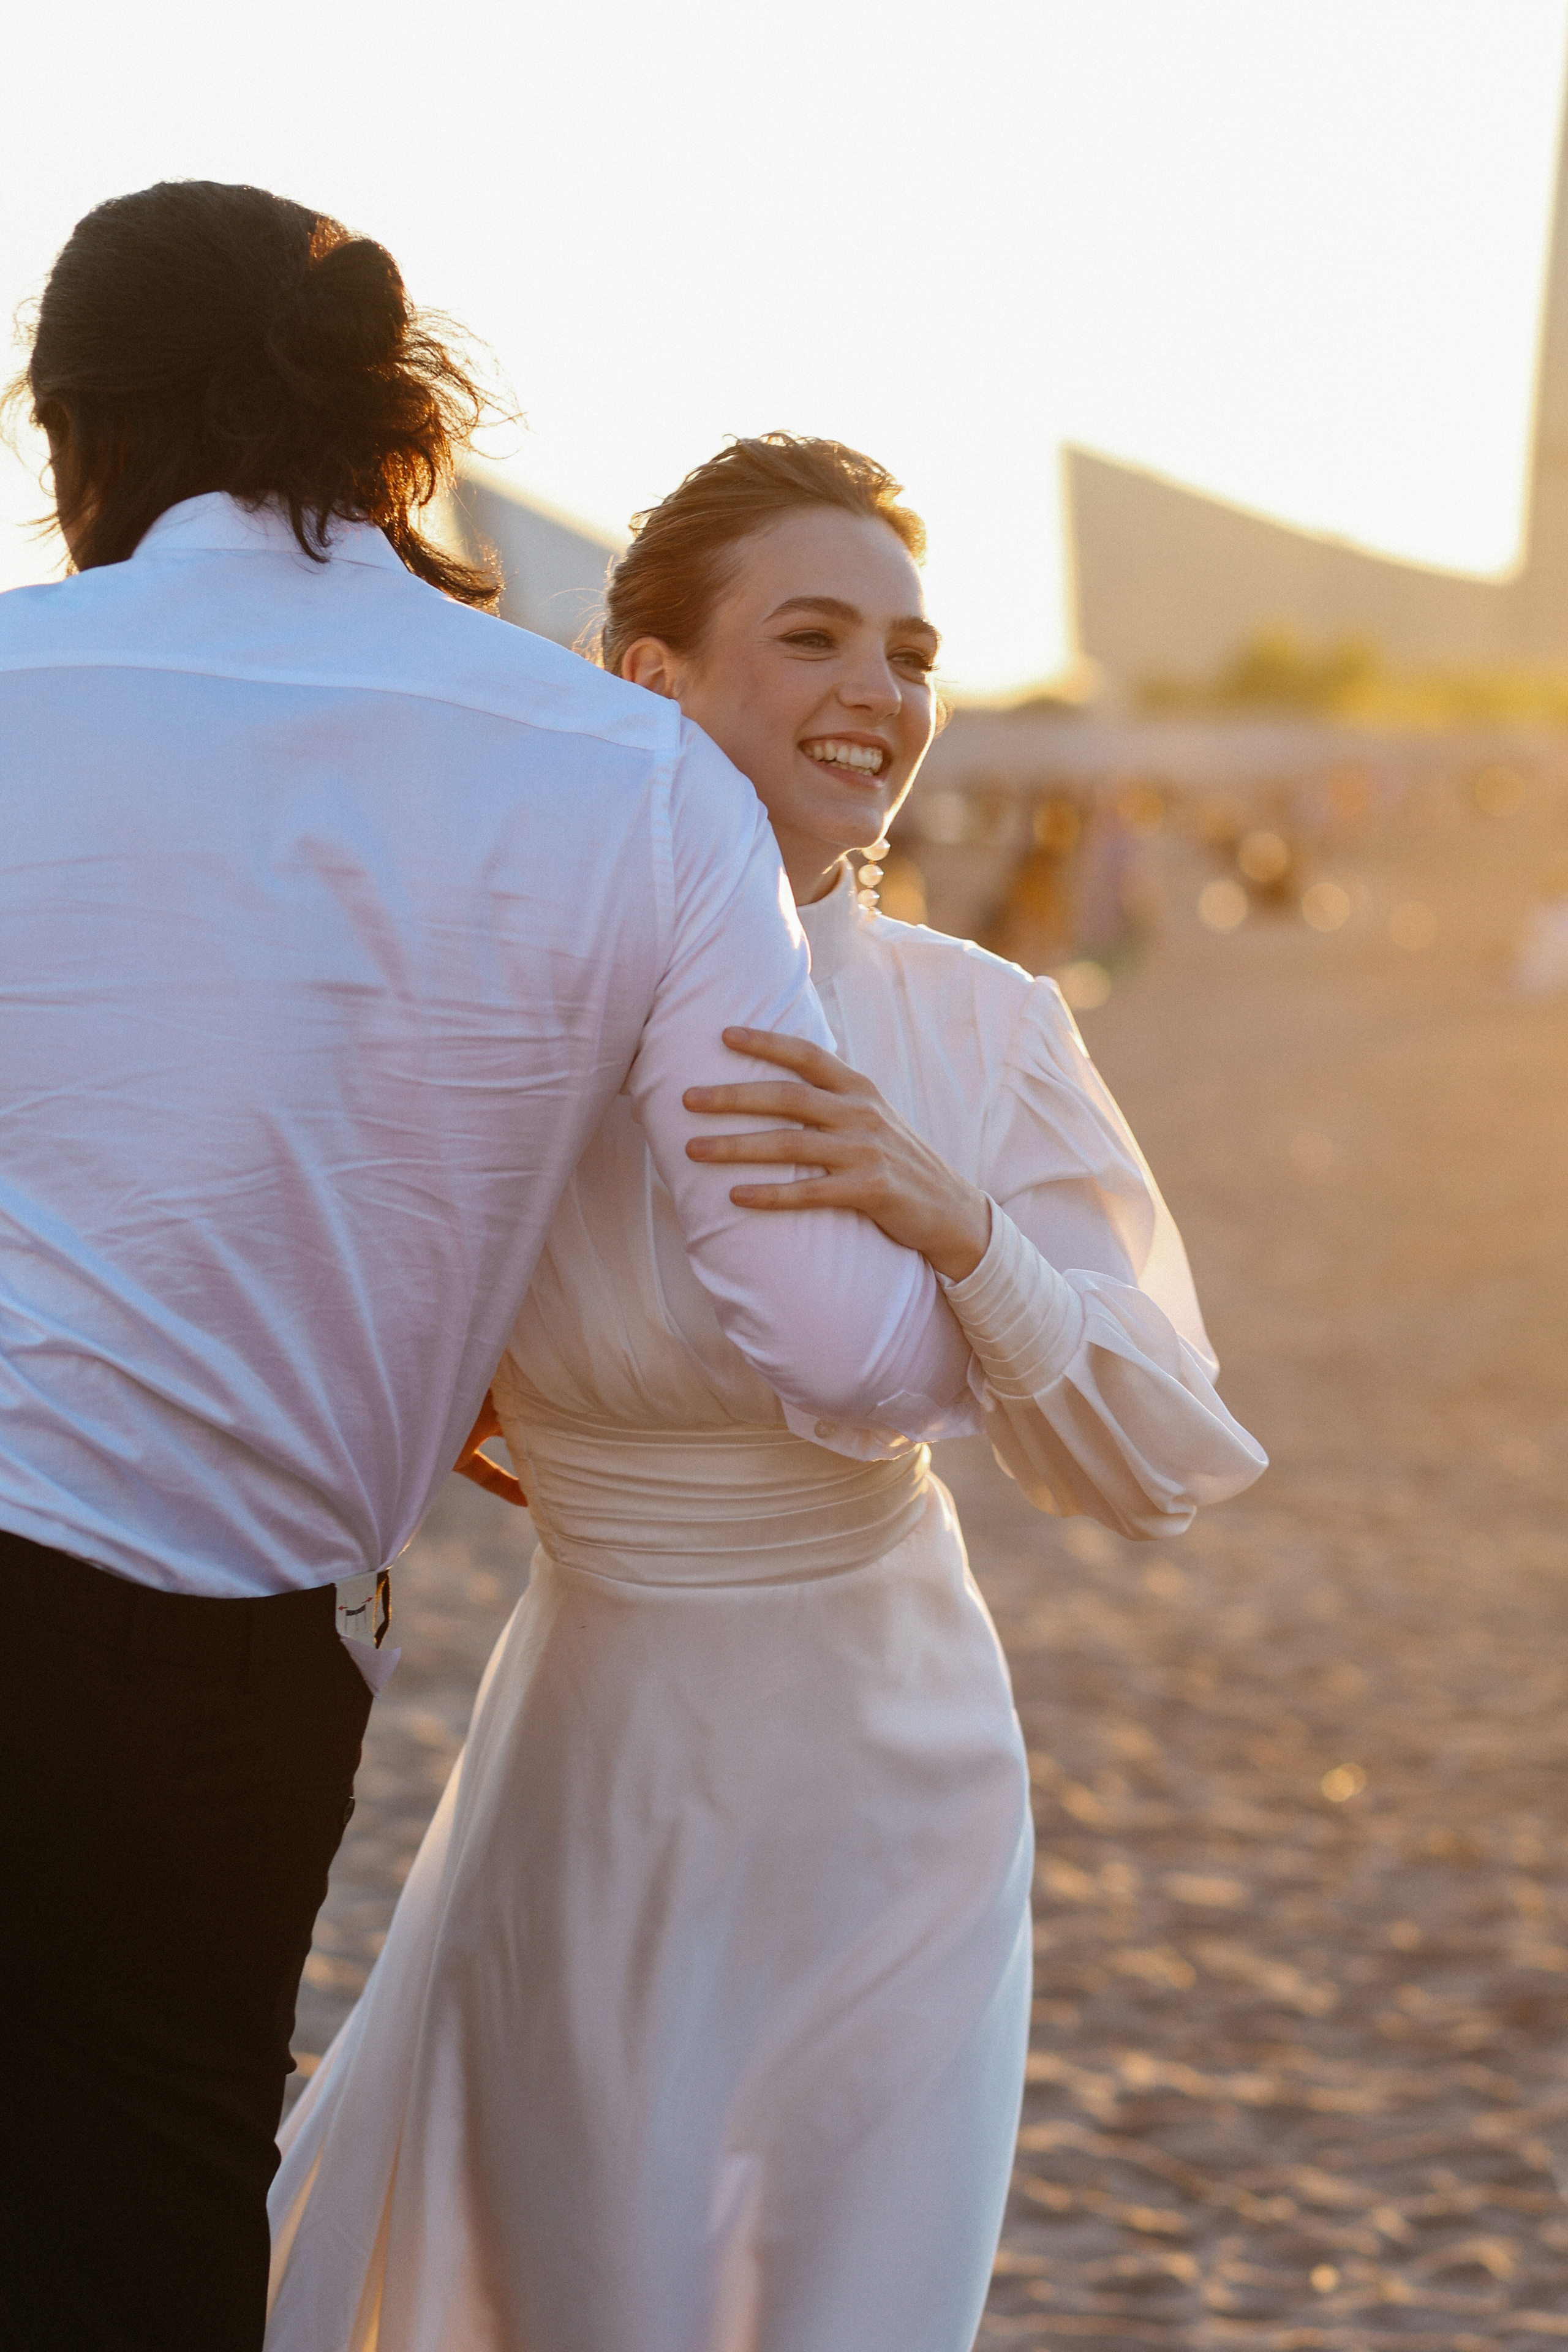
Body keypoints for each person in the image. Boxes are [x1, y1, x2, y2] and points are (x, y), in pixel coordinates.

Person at [0, 204, 976, 2352]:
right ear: (398, 441)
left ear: (80, 430)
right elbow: (821, 1335)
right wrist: (983, 1305)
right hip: (210, 1664)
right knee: (143, 2222)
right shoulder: (621, 774)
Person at [266, 437, 1267, 2352]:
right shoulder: (491, 1006)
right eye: (813, 637)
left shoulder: (984, 1023)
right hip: (605, 1756)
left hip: (903, 1771)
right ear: (650, 675)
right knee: (595, 2279)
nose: (878, 696)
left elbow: (1159, 1456)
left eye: (908, 650)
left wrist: (957, 1223)